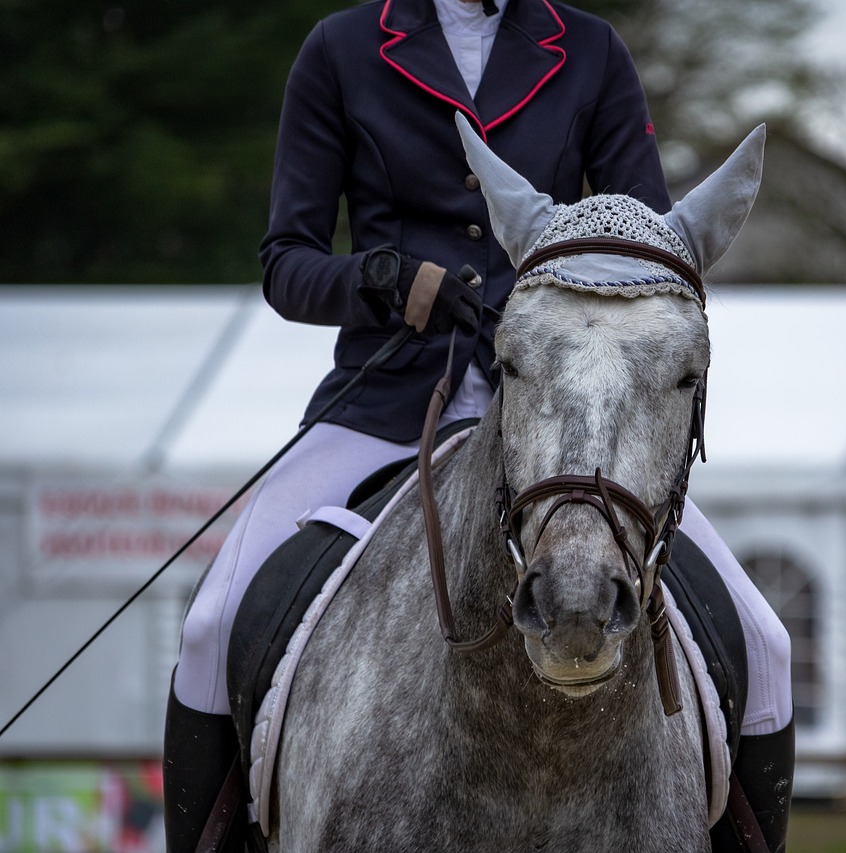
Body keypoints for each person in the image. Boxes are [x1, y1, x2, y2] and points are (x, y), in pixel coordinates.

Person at [162, 1, 793, 850]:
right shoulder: (342, 49)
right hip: (383, 400)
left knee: (766, 642)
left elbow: (644, 251)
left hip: (557, 411)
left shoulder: (589, 51)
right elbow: (287, 264)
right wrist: (385, 277)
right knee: (211, 627)